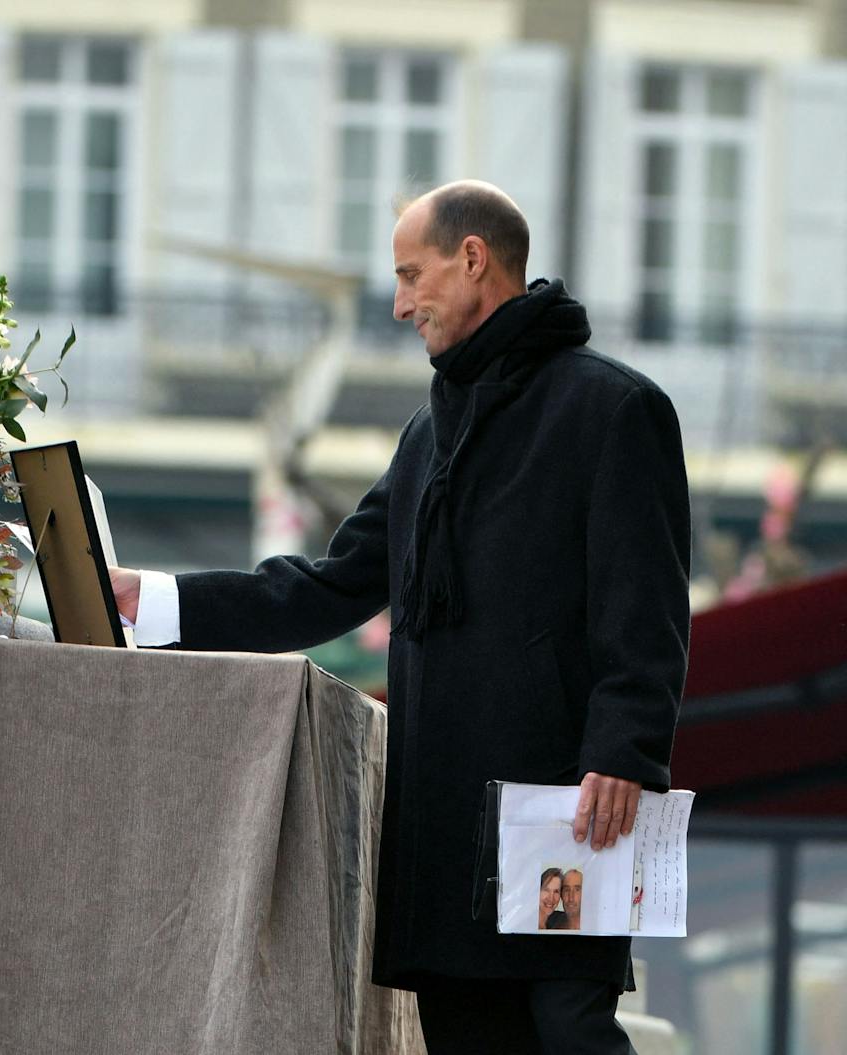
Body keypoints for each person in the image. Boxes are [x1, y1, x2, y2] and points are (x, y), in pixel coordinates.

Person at [111, 180, 690, 1054]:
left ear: (472, 259)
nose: (398, 303)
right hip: (444, 820)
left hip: (567, 806)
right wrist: (154, 600)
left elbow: (644, 601)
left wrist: (626, 750)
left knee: (572, 1032)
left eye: (410, 275)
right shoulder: (429, 434)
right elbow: (328, 584)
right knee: (465, 1040)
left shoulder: (613, 409)